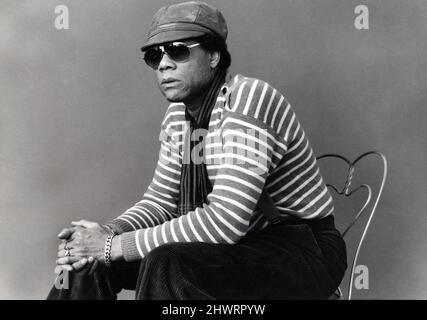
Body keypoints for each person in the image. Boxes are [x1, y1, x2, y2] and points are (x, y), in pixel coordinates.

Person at [47, 1, 347, 300]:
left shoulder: (249, 100)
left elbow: (225, 221)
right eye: (155, 56)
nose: (164, 64)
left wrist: (112, 247)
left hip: (302, 251)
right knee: (87, 264)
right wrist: (102, 236)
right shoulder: (178, 117)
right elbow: (161, 203)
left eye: (178, 50)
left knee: (167, 262)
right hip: (235, 250)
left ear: (214, 55)